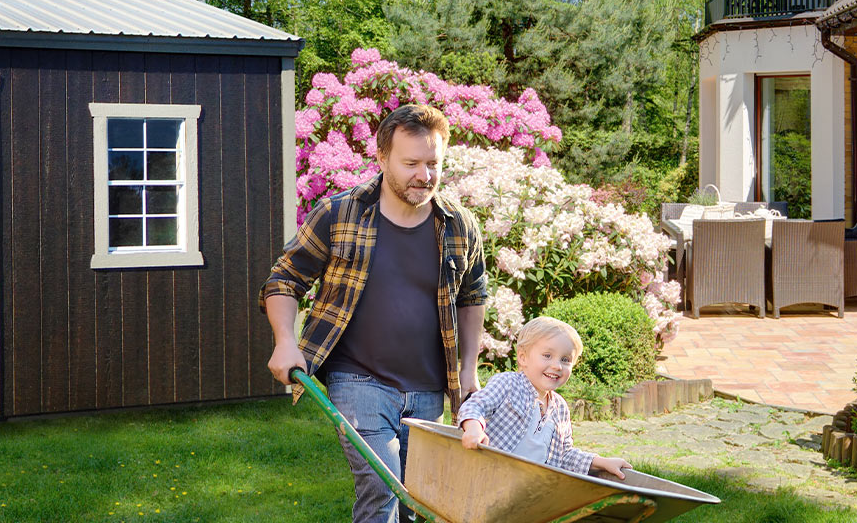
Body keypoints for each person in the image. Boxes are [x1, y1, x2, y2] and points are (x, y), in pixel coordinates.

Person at [260, 104, 487, 523]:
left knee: (415, 502)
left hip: (428, 388)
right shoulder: (339, 213)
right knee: (382, 488)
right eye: (411, 163)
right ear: (382, 159)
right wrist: (286, 341)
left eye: (434, 163)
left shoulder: (459, 225)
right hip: (358, 379)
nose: (425, 175)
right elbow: (284, 279)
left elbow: (472, 297)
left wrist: (469, 371)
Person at [456, 317, 632, 480]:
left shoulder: (560, 408)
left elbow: (564, 456)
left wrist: (601, 462)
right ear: (523, 357)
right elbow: (475, 405)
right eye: (547, 356)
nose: (556, 366)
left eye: (565, 359)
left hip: (529, 488)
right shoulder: (508, 384)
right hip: (489, 477)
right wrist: (473, 429)